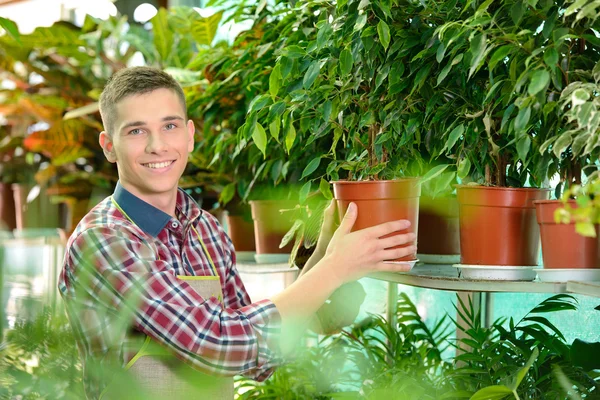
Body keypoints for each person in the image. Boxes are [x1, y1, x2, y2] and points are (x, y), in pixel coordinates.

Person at [58, 66, 416, 400]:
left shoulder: (207, 230)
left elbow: (258, 358)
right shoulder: (105, 240)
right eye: (136, 131)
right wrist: (333, 270)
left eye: (170, 126)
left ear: (190, 135)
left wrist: (322, 258)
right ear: (108, 146)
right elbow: (217, 344)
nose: (157, 145)